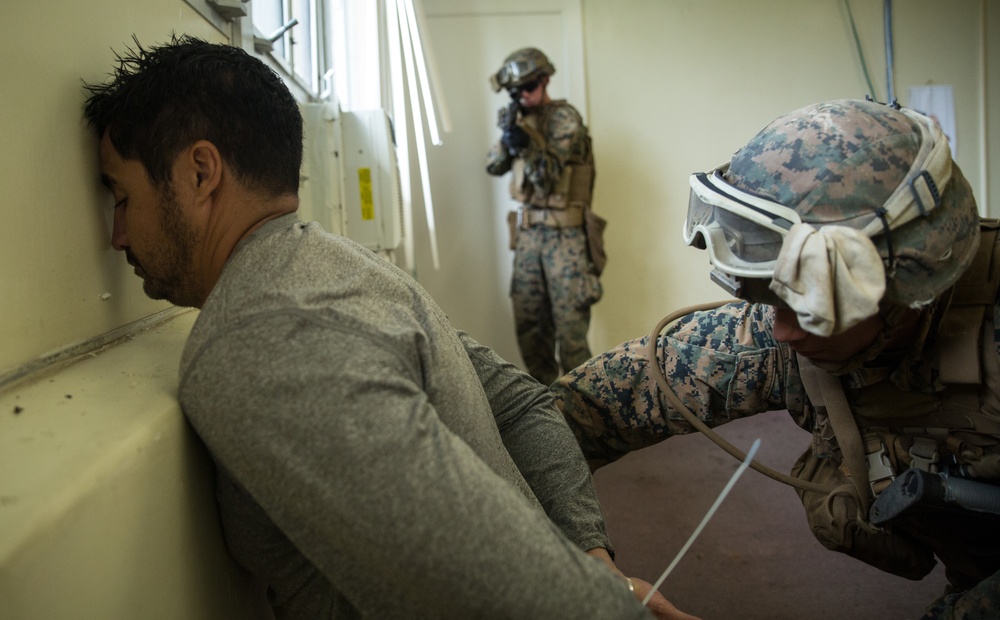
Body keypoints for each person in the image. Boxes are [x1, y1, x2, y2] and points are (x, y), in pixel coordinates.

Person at [82, 35, 697, 620]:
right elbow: (522, 407)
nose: (118, 234)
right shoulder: (347, 265)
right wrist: (595, 567)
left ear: (199, 173)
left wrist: (599, 597)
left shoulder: (263, 337)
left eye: (122, 194)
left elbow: (473, 572)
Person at [553, 98, 1000, 619]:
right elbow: (589, 405)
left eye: (813, 299)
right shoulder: (791, 336)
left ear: (905, 282)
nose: (783, 330)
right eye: (773, 294)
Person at [486, 47, 605, 386]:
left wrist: (524, 143)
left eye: (529, 87)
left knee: (571, 339)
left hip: (565, 242)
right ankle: (546, 420)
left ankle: (585, 422)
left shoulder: (565, 119)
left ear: (545, 80)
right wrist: (508, 139)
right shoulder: (519, 120)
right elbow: (492, 165)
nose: (522, 96)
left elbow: (548, 177)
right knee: (530, 331)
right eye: (516, 91)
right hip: (528, 241)